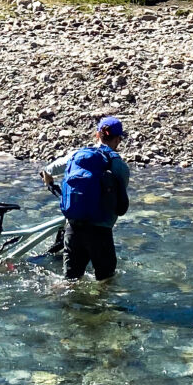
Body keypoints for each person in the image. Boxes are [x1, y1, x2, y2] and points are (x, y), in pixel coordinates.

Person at [43, 117, 130, 282]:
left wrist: (49, 181)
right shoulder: (118, 165)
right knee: (106, 282)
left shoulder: (77, 155)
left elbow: (48, 170)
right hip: (100, 232)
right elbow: (121, 200)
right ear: (118, 140)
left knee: (70, 282)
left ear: (97, 134)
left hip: (73, 229)